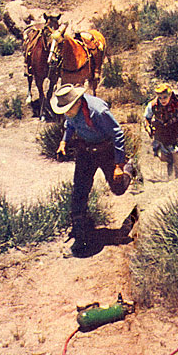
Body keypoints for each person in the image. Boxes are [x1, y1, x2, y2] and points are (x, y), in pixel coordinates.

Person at [52, 84, 134, 257]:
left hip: (105, 150)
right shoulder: (72, 111)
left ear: (77, 102)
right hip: (85, 151)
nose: (66, 113)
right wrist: (64, 142)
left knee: (118, 188)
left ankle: (129, 167)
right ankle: (81, 235)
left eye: (68, 109)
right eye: (64, 110)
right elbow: (70, 125)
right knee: (79, 191)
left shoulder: (98, 111)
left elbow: (117, 134)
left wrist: (119, 166)